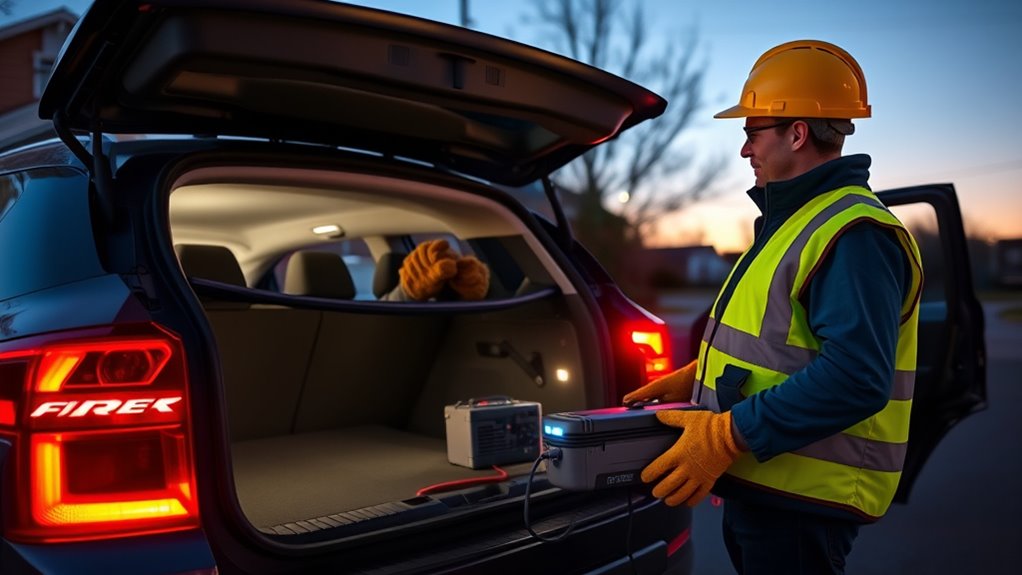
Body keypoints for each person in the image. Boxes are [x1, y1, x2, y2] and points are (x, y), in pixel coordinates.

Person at [622, 40, 923, 575]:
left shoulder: (853, 232)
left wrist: (726, 434)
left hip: (803, 506)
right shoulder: (797, 220)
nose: (744, 150)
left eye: (751, 133)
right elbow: (787, 344)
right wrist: (702, 377)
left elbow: (857, 376)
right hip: (767, 487)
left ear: (798, 133)